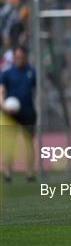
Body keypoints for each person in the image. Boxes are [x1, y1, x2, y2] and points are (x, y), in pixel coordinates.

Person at [0, 45, 37, 182]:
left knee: (29, 143)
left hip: (28, 112)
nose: (19, 59)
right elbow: (1, 91)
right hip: (11, 114)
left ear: (25, 57)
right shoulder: (7, 73)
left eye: (22, 57)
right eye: (17, 57)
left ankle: (30, 173)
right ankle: (8, 173)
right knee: (9, 143)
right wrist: (3, 106)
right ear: (14, 57)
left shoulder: (32, 72)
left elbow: (38, 90)